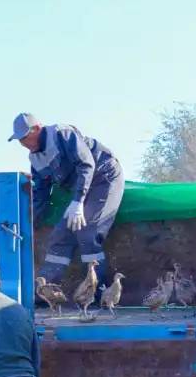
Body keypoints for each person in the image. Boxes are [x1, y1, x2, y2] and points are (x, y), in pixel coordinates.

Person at [8, 112, 124, 285]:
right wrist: (30, 223)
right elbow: (40, 193)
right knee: (60, 236)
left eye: (25, 137)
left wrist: (77, 202)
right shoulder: (35, 159)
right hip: (81, 187)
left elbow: (86, 164)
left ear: (37, 128)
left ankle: (97, 290)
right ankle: (45, 290)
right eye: (19, 140)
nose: (23, 143)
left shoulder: (62, 134)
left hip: (103, 177)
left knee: (88, 231)